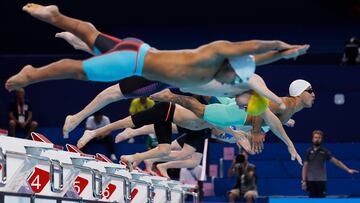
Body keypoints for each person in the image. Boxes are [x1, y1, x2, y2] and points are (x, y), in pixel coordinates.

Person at [6, 3, 309, 110]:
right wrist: (277, 42)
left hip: (139, 48)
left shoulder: (217, 69)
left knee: (91, 34)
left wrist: (283, 55)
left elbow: (254, 59)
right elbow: (250, 46)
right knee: (76, 70)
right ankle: (32, 74)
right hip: (133, 61)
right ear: (229, 66)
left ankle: (56, 16)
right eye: (234, 76)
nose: (232, 81)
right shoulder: (211, 57)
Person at [151, 79, 315, 154]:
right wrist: (257, 132)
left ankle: (191, 83)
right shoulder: (285, 104)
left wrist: (287, 127)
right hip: (240, 114)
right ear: (300, 93)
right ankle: (170, 95)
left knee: (210, 97)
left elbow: (272, 120)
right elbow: (259, 107)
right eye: (310, 91)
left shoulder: (290, 109)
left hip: (242, 109)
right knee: (201, 111)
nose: (313, 95)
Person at [301, 130, 359, 198]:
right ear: (312, 139)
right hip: (310, 180)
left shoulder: (325, 152)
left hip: (321, 180)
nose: (317, 139)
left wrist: (348, 169)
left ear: (321, 139)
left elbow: (336, 162)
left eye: (319, 138)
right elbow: (305, 167)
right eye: (315, 137)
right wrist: (303, 181)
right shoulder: (308, 151)